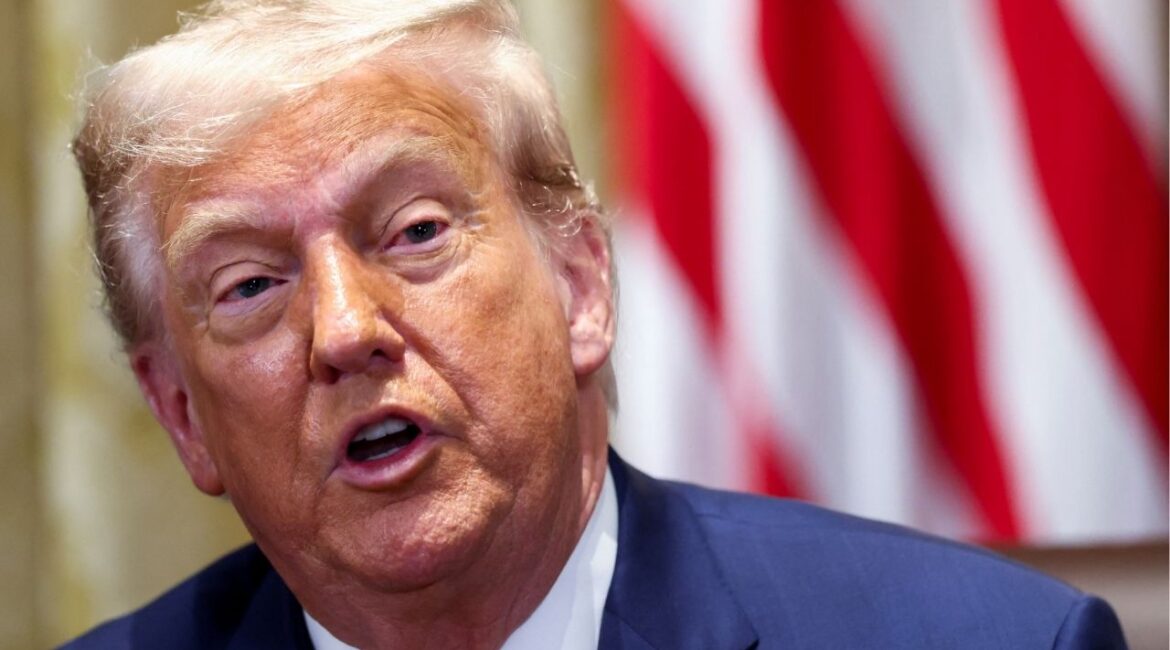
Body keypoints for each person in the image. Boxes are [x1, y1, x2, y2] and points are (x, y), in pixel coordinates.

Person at [63, 1, 1126, 648]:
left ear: (580, 284)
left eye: (416, 231)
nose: (344, 329)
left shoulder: (985, 640)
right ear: (182, 414)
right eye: (250, 285)